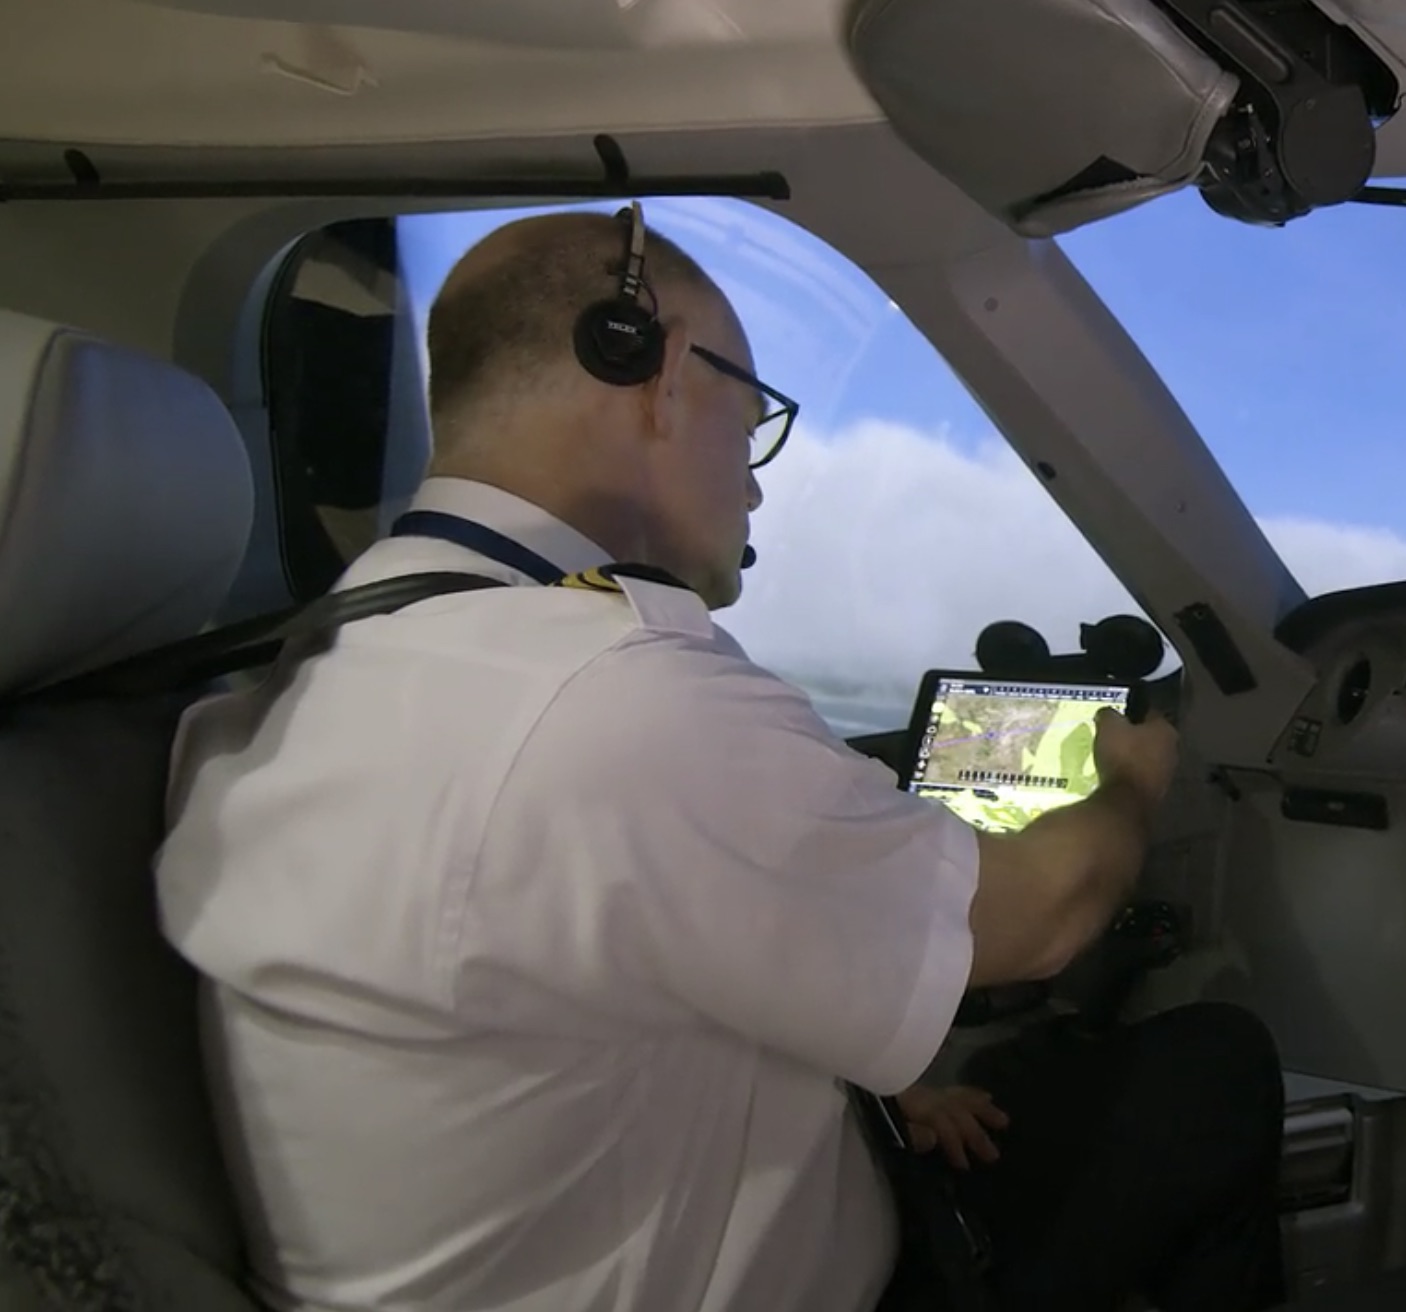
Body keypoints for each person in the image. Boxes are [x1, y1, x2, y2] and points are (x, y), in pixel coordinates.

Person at [152, 205, 1288, 1312]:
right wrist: (1128, 779)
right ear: (655, 368)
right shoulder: (605, 696)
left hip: (627, 1205)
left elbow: (594, 964)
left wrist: (870, 1098)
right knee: (1214, 1066)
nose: (752, 478)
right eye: (750, 421)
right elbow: (1043, 912)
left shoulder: (331, 652)